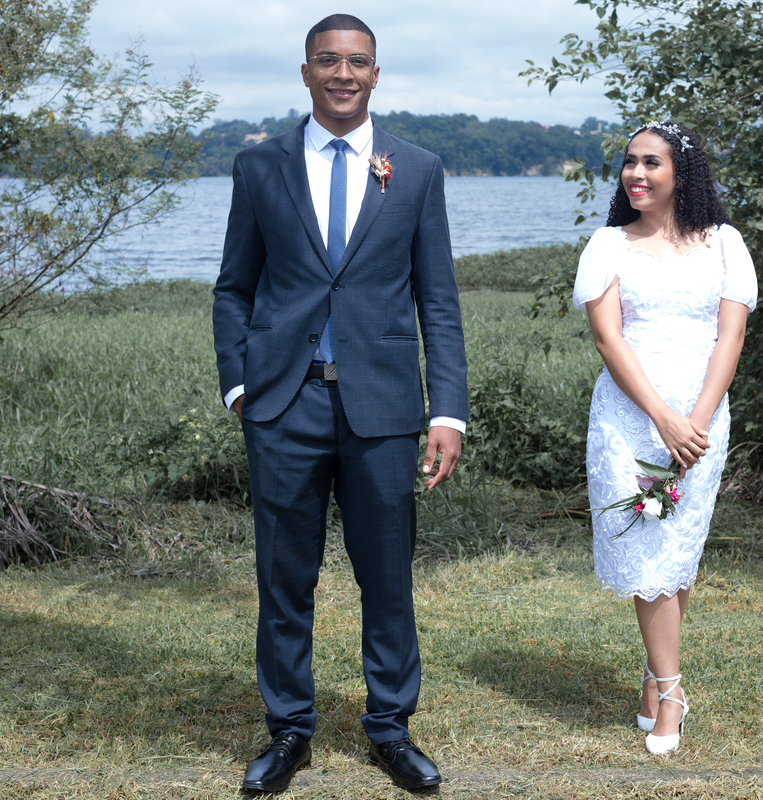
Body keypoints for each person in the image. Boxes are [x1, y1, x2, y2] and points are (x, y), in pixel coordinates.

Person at [211, 13, 468, 793]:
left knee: (385, 577)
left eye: (357, 61)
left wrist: (447, 411)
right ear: (306, 72)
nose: (343, 73)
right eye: (328, 60)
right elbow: (234, 288)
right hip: (282, 406)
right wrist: (239, 381)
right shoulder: (260, 168)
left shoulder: (416, 170)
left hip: (385, 410)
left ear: (376, 74)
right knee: (284, 577)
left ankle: (390, 728)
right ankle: (289, 730)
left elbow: (439, 299)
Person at [573, 122, 756, 755]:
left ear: (683, 173)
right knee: (649, 549)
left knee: (677, 548)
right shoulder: (608, 245)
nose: (636, 174)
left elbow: (729, 336)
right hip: (630, 419)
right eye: (629, 163)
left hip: (703, 419)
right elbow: (608, 339)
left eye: (651, 162)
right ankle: (673, 690)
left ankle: (654, 675)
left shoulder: (725, 244)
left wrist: (696, 420)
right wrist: (663, 418)